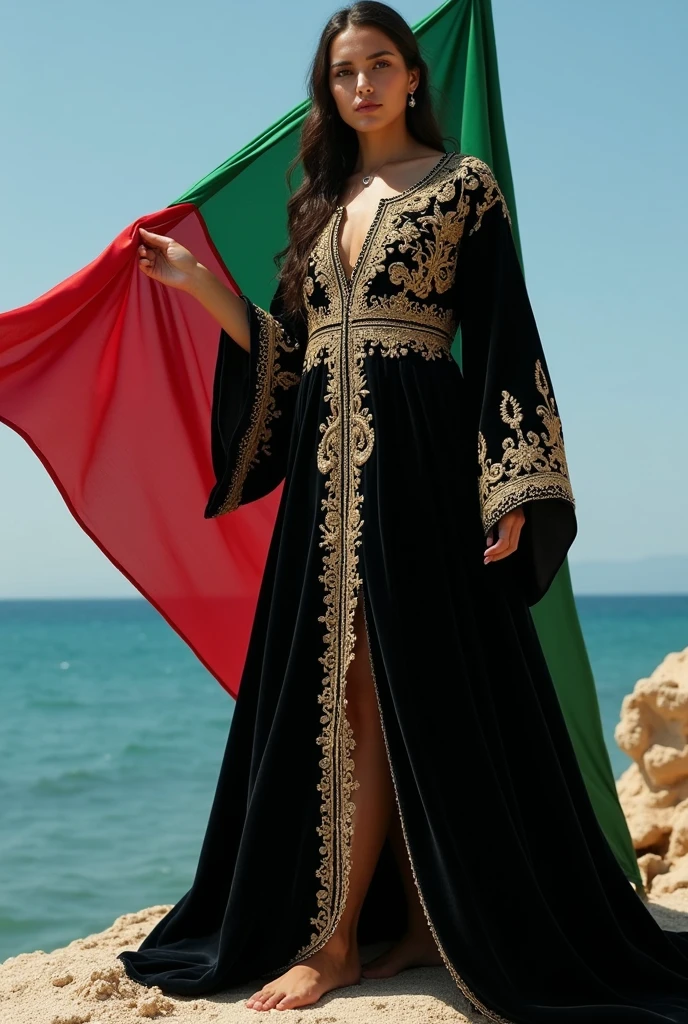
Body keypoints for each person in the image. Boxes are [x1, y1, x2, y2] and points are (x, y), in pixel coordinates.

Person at [117, 3, 688, 1021]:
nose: (363, 85)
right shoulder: (323, 199)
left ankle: (340, 940)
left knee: (391, 676)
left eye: (380, 64)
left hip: (419, 464)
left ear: (413, 76)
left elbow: (504, 332)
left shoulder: (462, 186)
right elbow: (292, 359)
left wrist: (513, 481)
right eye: (343, 71)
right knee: (340, 684)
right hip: (327, 482)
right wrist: (200, 285)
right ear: (328, 89)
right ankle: (408, 916)